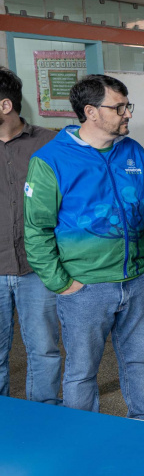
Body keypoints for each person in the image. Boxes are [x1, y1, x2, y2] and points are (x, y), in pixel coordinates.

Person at [24, 75, 144, 420]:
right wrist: (62, 283)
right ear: (90, 112)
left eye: (127, 105)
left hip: (137, 279)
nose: (127, 114)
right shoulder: (50, 161)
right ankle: (82, 434)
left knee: (137, 359)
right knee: (82, 371)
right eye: (118, 107)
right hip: (85, 288)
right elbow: (36, 231)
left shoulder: (132, 150)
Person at [0, 67, 60, 405]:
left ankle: (44, 416)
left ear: (6, 106)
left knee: (44, 350)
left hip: (38, 268)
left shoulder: (49, 144)